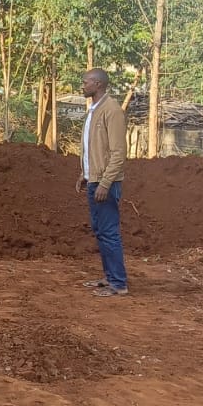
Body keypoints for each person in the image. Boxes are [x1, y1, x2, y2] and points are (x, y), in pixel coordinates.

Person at [76, 68, 128, 296]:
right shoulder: (94, 110)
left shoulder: (112, 110)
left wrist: (105, 183)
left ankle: (118, 283)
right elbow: (94, 148)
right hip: (94, 180)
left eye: (85, 82)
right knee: (100, 231)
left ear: (97, 84)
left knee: (109, 232)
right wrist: (85, 174)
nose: (82, 85)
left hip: (106, 183)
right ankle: (110, 277)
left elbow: (118, 153)